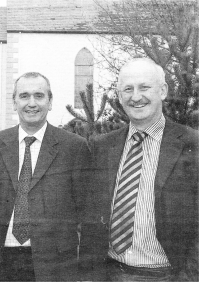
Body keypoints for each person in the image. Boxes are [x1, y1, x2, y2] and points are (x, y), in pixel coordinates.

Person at [84, 58, 198, 281]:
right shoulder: (102, 146)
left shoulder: (191, 143)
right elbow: (90, 219)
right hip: (109, 273)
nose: (136, 97)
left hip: (167, 275)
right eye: (128, 89)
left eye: (144, 87)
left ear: (163, 91)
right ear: (119, 96)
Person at [0, 72, 90, 281]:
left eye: (39, 96)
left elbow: (86, 212)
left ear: (50, 101)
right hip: (1, 261)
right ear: (14, 102)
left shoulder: (73, 147)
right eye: (24, 96)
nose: (32, 103)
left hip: (55, 265)